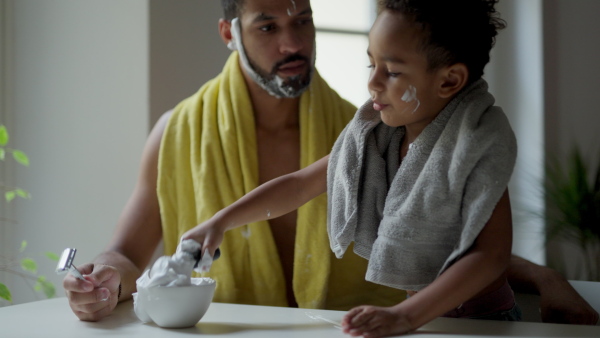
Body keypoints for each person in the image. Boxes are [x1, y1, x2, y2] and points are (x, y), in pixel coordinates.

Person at [63, 0, 598, 326]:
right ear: (231, 33)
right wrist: (110, 279)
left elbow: (472, 248)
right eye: (268, 26)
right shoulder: (179, 135)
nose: (294, 41)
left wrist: (547, 280)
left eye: (304, 19)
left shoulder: (413, 135)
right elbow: (294, 185)